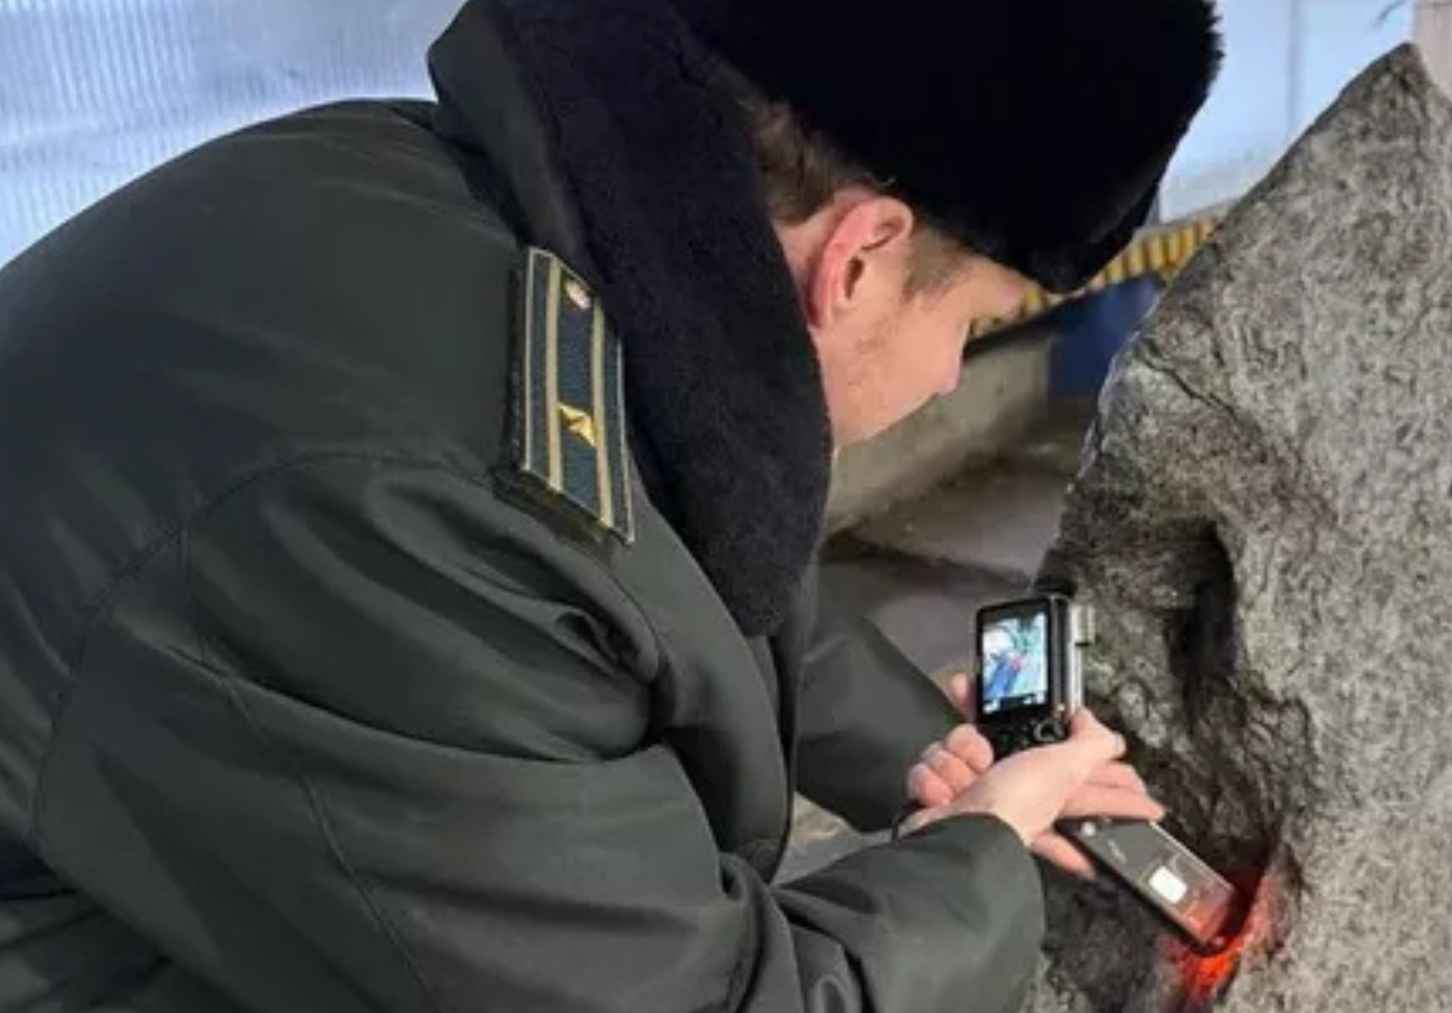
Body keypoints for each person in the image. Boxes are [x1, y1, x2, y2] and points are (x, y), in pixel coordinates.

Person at [0, 0, 1222, 1009]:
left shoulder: (492, 211)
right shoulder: (422, 517)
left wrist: (930, 753)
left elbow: (691, 563)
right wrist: (985, 858)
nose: (956, 373)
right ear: (858, 257)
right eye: (977, 322)